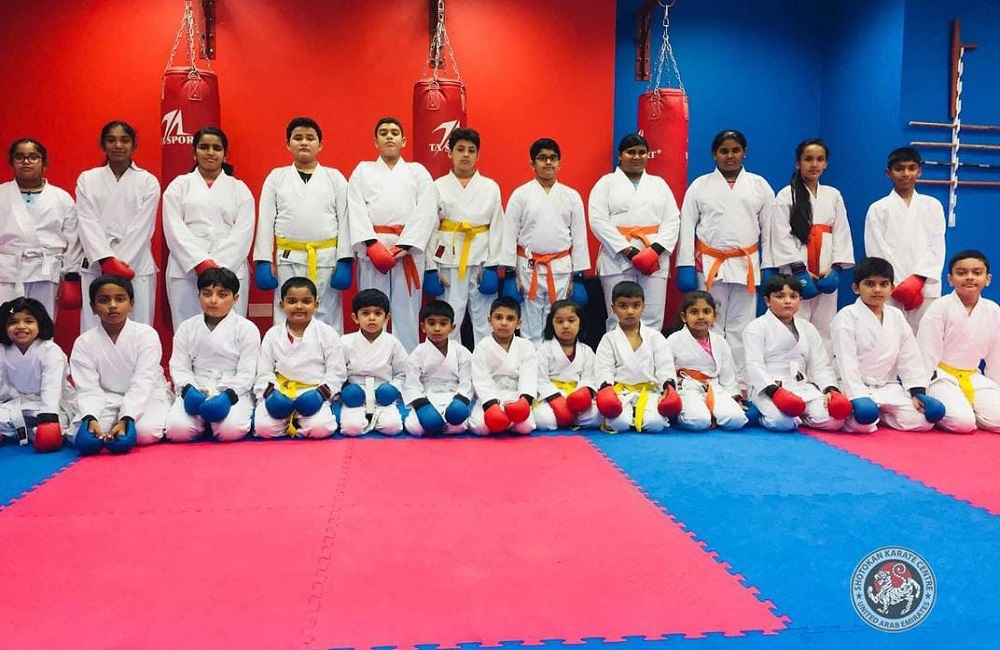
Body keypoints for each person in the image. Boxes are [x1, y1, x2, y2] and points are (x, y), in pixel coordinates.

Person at [676, 129, 776, 379]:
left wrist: (769, 266)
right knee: (710, 321)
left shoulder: (759, 185)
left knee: (743, 325)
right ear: (714, 154)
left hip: (746, 264)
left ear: (744, 153)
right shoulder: (700, 186)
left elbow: (770, 229)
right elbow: (686, 225)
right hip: (710, 263)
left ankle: (740, 379)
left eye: (735, 150)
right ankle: (710, 374)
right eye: (724, 151)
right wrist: (685, 264)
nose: (730, 156)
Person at [253, 117, 352, 332]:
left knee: (327, 312)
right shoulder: (276, 177)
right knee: (288, 309)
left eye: (310, 138)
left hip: (326, 259)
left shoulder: (334, 178)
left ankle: (329, 353)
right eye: (298, 138)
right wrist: (263, 260)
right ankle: (284, 352)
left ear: (320, 144)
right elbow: (265, 220)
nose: (304, 142)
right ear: (288, 144)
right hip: (289, 258)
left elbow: (346, 219)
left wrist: (345, 259)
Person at [348, 116, 437, 352]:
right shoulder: (363, 170)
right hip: (373, 251)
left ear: (403, 141)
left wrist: (406, 246)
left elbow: (427, 210)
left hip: (407, 252)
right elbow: (355, 207)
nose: (389, 136)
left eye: (395, 133)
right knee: (371, 308)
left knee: (406, 311)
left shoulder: (418, 172)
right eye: (384, 133)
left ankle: (406, 365)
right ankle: (370, 360)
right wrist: (371, 243)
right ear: (375, 141)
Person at [830, 257, 943, 434]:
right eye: (870, 284)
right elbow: (846, 362)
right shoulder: (847, 316)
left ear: (892, 288)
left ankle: (881, 416)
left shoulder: (896, 316)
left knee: (923, 421)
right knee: (863, 423)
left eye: (884, 284)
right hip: (856, 386)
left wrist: (917, 391)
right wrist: (857, 395)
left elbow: (909, 356)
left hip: (887, 386)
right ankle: (867, 414)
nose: (877, 289)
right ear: (856, 288)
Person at [499, 137, 591, 344]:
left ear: (559, 163)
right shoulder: (520, 195)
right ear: (532, 164)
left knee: (558, 318)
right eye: (542, 158)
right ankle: (532, 362)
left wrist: (578, 275)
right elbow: (509, 234)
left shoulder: (571, 196)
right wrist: (510, 273)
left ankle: (555, 361)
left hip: (560, 267)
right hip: (528, 266)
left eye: (553, 158)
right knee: (530, 321)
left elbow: (579, 237)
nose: (548, 162)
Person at [163, 126, 255, 327]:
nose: (210, 152)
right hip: (187, 269)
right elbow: (174, 229)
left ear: (225, 154)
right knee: (188, 327)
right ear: (194, 152)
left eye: (217, 148)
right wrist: (201, 263)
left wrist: (218, 269)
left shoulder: (239, 189)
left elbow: (243, 233)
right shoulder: (179, 186)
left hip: (229, 268)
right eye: (204, 147)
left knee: (231, 330)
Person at [588, 133, 680, 331]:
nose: (637, 157)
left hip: (654, 259)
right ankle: (617, 352)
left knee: (652, 317)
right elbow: (598, 220)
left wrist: (655, 250)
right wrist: (628, 250)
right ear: (620, 155)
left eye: (642, 152)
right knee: (618, 316)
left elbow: (672, 220)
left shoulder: (659, 184)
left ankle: (649, 353)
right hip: (617, 259)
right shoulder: (606, 183)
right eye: (631, 152)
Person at [71, 275, 172, 454]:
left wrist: (127, 417)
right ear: (93, 307)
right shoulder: (84, 342)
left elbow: (143, 380)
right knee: (80, 434)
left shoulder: (146, 335)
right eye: (104, 300)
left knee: (144, 433)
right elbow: (87, 388)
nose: (112, 305)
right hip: (106, 397)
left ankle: (125, 422)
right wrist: (90, 417)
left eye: (120, 299)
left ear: (131, 304)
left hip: (147, 395)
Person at [770, 139, 854, 352]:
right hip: (797, 267)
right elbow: (780, 234)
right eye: (808, 159)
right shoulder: (786, 195)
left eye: (820, 159)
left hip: (825, 266)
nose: (814, 164)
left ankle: (822, 367)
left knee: (825, 323)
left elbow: (842, 232)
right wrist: (799, 270)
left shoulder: (833, 195)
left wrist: (836, 268)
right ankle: (793, 366)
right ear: (798, 163)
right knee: (795, 318)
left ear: (826, 163)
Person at [76, 121, 160, 331]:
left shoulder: (148, 181)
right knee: (94, 327)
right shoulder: (87, 179)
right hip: (97, 264)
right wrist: (106, 260)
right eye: (111, 140)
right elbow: (87, 223)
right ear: (103, 144)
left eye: (124, 140)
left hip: (135, 265)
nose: (118, 145)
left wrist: (119, 265)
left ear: (134, 145)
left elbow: (142, 228)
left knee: (138, 326)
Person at [743, 274, 851, 432]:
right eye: (780, 296)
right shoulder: (755, 328)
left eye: (793, 296)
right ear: (767, 301)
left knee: (835, 421)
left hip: (801, 387)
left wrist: (830, 389)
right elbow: (754, 366)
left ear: (800, 300)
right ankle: (764, 416)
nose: (787, 301)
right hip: (769, 388)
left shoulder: (807, 328)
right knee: (782, 422)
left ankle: (800, 416)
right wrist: (774, 392)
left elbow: (820, 365)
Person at [428, 128, 505, 345]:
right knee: (448, 319)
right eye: (460, 149)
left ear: (477, 155)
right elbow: (430, 228)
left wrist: (493, 266)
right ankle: (449, 364)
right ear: (449, 153)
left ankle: (487, 363)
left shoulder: (490, 187)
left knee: (485, 322)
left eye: (471, 150)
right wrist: (431, 267)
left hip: (481, 261)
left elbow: (498, 227)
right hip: (449, 262)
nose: (465, 155)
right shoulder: (437, 186)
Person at [166, 268, 260, 442]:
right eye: (207, 294)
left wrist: (229, 396)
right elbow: (179, 366)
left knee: (229, 431)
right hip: (197, 385)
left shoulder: (247, 329)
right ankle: (203, 421)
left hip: (232, 386)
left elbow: (247, 372)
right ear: (198, 295)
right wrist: (188, 390)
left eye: (222, 295)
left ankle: (217, 420)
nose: (213, 300)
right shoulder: (187, 327)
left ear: (235, 298)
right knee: (177, 431)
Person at [917, 249, 1000, 433]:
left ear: (987, 279)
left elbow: (996, 358)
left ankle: (973, 409)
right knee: (963, 424)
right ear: (950, 279)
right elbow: (926, 352)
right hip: (942, 377)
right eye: (962, 273)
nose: (969, 277)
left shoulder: (994, 311)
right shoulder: (940, 307)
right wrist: (919, 391)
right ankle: (964, 411)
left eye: (977, 273)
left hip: (973, 376)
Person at [864, 147, 946, 333]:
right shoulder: (878, 209)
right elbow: (876, 250)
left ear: (920, 171)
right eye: (899, 169)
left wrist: (918, 279)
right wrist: (900, 283)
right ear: (888, 173)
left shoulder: (933, 206)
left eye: (911, 168)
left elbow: (937, 247)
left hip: (926, 287)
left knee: (926, 337)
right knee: (890, 337)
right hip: (890, 287)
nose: (906, 174)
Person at [254, 277, 345, 439]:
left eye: (306, 301)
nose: (299, 306)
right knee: (263, 429)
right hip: (281, 391)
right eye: (291, 301)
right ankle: (294, 422)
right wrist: (270, 393)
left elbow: (337, 372)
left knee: (321, 428)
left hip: (313, 391)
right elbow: (263, 371)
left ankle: (298, 424)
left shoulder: (327, 333)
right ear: (281, 305)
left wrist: (321, 394)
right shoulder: (272, 334)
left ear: (316, 304)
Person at [1, 138, 81, 320]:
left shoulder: (61, 198)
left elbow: (74, 240)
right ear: (11, 162)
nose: (26, 161)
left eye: (33, 157)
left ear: (45, 163)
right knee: (5, 324)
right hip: (6, 271)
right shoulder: (2, 193)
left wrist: (70, 274)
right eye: (19, 157)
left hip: (46, 270)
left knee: (42, 323)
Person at [593, 281, 680, 433]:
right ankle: (629, 416)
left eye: (636, 305)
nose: (630, 311)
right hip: (620, 393)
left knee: (655, 425)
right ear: (613, 308)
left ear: (643, 307)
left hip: (649, 391)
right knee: (619, 424)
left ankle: (639, 416)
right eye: (623, 306)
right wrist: (607, 390)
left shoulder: (655, 337)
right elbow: (604, 368)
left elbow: (664, 366)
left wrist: (668, 387)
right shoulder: (609, 339)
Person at [665, 291, 748, 431]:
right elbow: (665, 370)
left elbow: (728, 375)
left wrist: (734, 397)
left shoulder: (720, 341)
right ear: (684, 317)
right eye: (694, 312)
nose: (701, 316)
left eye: (706, 311)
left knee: (736, 419)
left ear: (714, 316)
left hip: (713, 387)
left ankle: (711, 412)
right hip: (686, 388)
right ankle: (681, 415)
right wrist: (669, 394)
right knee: (699, 421)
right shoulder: (674, 340)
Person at [0, 297, 75, 451]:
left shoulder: (50, 350)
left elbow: (51, 389)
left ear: (40, 325)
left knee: (57, 428)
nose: (21, 327)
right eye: (13, 322)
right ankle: (26, 431)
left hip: (50, 405)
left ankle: (23, 431)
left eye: (29, 321)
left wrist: (48, 419)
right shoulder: (2, 351)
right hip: (15, 404)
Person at [339, 288, 408, 436]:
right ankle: (364, 419)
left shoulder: (393, 343)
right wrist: (345, 389)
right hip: (355, 396)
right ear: (355, 317)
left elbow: (402, 373)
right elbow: (336, 372)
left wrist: (393, 388)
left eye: (378, 313)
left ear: (387, 317)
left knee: (393, 427)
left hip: (382, 396)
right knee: (351, 428)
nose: (372, 318)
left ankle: (375, 419)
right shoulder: (345, 342)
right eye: (365, 313)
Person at [468, 296, 538, 435]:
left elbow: (529, 376)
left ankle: (507, 421)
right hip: (491, 395)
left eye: (510, 319)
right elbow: (481, 379)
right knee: (480, 427)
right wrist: (491, 405)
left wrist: (524, 400)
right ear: (490, 320)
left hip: (516, 396)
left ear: (519, 323)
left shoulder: (526, 346)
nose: (504, 323)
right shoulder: (482, 346)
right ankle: (504, 420)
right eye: (498, 317)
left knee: (526, 427)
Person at [402, 300, 473, 435]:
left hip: (453, 397)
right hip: (428, 397)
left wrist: (460, 401)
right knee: (414, 428)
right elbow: (411, 384)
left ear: (452, 327)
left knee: (458, 426)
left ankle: (447, 420)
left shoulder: (461, 352)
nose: (437, 328)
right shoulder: (418, 353)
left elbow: (467, 382)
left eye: (443, 324)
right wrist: (422, 405)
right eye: (431, 323)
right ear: (423, 327)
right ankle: (434, 420)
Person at [534, 299, 601, 430]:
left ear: (580, 323)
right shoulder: (544, 349)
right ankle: (569, 419)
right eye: (559, 322)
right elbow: (540, 379)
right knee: (543, 419)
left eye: (571, 321)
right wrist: (555, 399)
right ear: (552, 324)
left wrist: (582, 395)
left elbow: (589, 378)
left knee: (597, 416)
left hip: (576, 395)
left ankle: (568, 419)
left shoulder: (586, 351)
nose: (565, 326)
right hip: (552, 397)